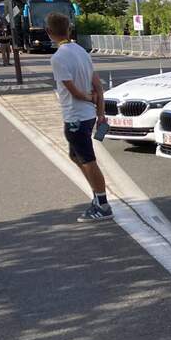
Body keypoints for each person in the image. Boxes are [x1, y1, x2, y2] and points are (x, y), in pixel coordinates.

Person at [47, 12, 113, 223]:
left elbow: (73, 91)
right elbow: (98, 86)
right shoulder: (82, 52)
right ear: (69, 29)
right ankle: (97, 196)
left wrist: (88, 99)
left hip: (74, 116)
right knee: (76, 157)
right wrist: (100, 111)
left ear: (49, 32)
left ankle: (102, 204)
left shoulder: (58, 58)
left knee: (87, 160)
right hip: (88, 116)